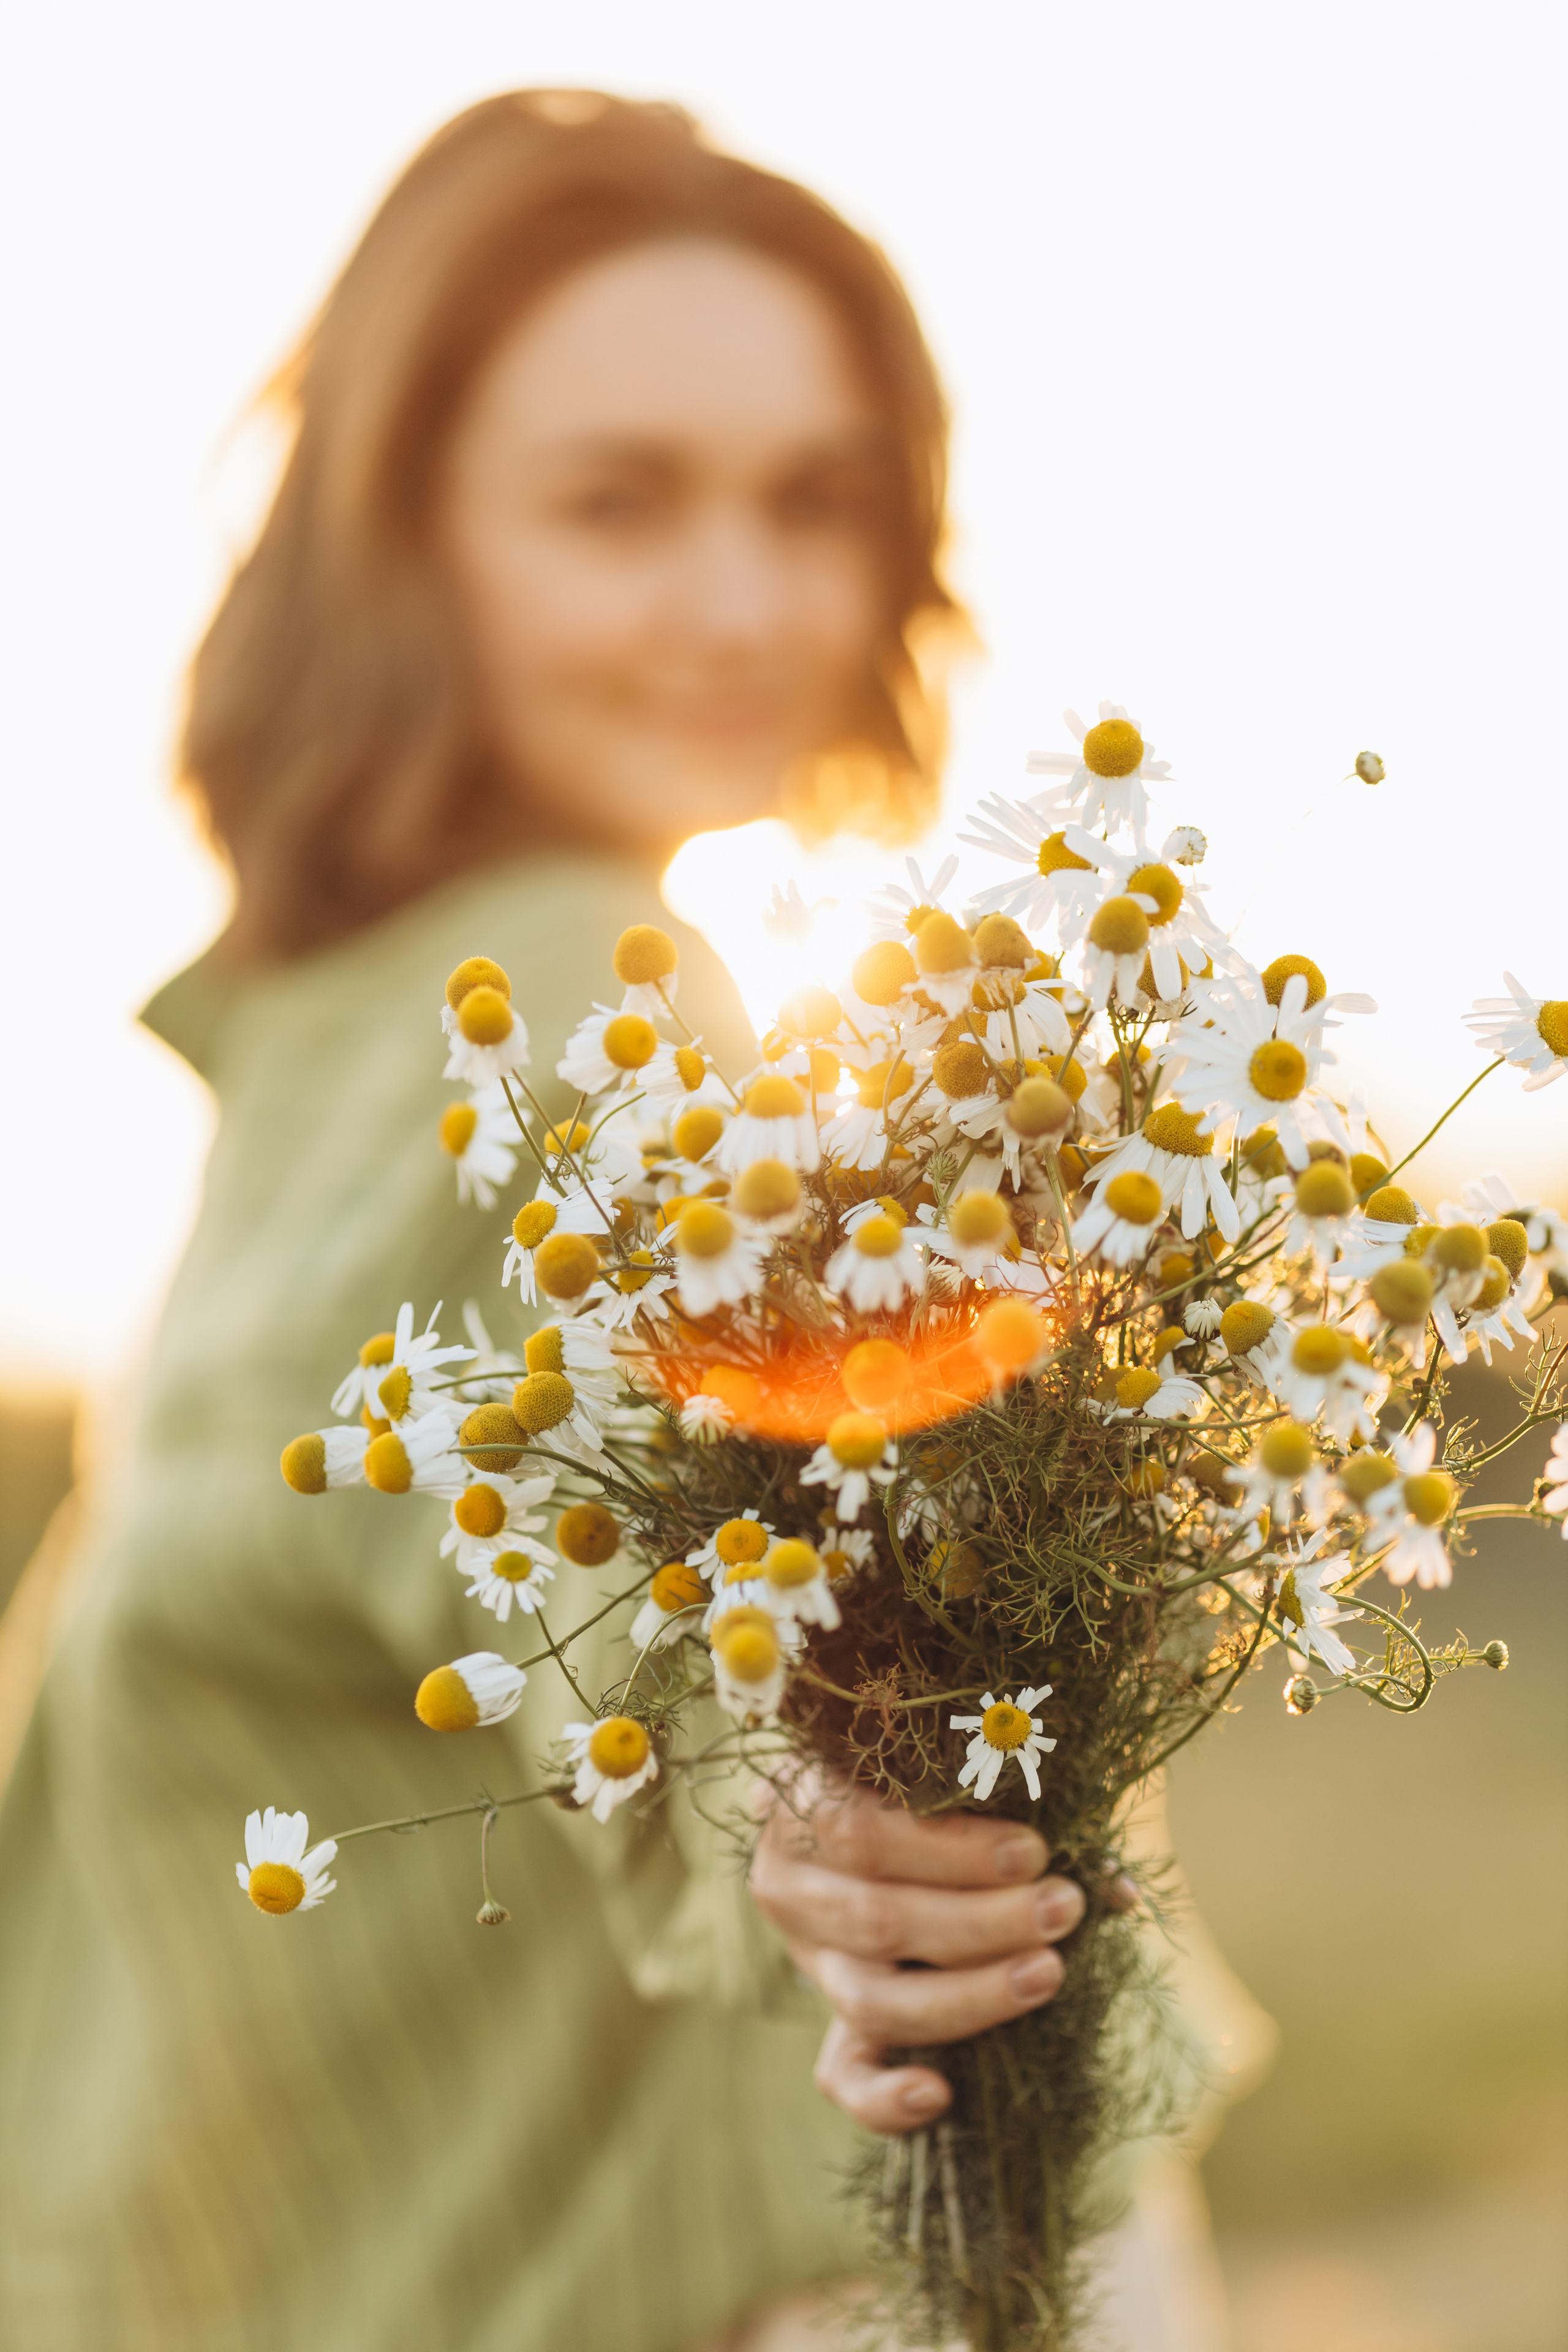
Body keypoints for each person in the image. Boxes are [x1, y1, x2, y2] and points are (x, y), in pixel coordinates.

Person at [0, 92, 1259, 2352]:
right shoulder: (451, 1030)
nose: (739, 605)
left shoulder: (581, 1003)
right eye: (616, 505)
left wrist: (804, 1799)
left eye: (816, 503)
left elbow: (661, 1564)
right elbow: (567, 1483)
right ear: (404, 544)